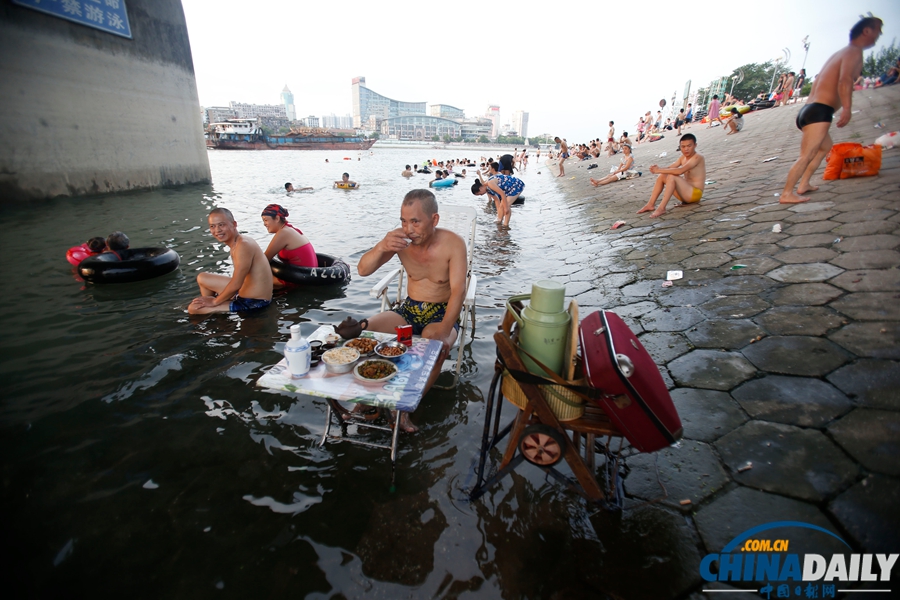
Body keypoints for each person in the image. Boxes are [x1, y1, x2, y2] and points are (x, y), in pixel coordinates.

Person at [356, 190, 467, 432]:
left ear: (434, 220)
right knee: (367, 330)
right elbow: (363, 270)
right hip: (409, 309)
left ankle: (404, 408)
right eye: (403, 221)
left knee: (435, 347)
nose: (408, 229)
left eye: (415, 221)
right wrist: (381, 246)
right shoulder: (399, 242)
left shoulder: (453, 244)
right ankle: (367, 399)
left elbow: (459, 291)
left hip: (441, 312)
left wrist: (446, 330)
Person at [780, 16, 883, 204]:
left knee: (824, 148)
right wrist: (847, 108)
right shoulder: (853, 52)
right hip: (819, 111)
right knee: (806, 155)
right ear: (867, 31)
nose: (880, 34)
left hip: (810, 110)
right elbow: (845, 81)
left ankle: (804, 184)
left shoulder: (840, 53)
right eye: (878, 30)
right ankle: (787, 193)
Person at [188, 208, 273, 314]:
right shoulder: (237, 242)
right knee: (202, 278)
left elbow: (236, 283)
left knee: (193, 308)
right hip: (243, 290)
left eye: (221, 225)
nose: (217, 230)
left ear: (234, 224)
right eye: (212, 226)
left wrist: (215, 301)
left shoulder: (243, 245)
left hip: (254, 302)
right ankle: (213, 311)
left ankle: (213, 309)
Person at [637, 133, 706, 217]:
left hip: (695, 194)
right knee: (663, 175)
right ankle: (650, 204)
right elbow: (670, 168)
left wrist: (658, 170)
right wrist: (658, 168)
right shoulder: (682, 158)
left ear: (695, 145)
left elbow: (680, 171)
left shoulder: (697, 157)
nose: (686, 149)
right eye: (683, 147)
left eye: (689, 146)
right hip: (684, 195)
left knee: (672, 176)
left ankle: (662, 208)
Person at [261, 204, 317, 288]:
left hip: (298, 280)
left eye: (266, 220)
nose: (264, 224)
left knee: (251, 279)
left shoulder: (284, 233)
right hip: (305, 277)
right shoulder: (290, 229)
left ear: (277, 218)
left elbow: (264, 259)